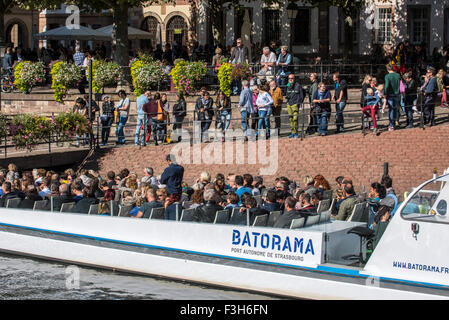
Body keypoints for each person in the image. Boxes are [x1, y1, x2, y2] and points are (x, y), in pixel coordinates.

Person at [285, 74, 304, 139]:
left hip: (295, 104)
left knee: (295, 119)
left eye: (292, 78)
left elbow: (302, 95)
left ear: (294, 78)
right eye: (289, 78)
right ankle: (292, 132)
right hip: (289, 104)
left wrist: (298, 102)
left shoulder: (298, 85)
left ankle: (296, 132)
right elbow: (286, 93)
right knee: (290, 119)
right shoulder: (288, 85)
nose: (290, 79)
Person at [384, 63, 402, 131]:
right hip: (397, 93)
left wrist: (385, 93)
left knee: (391, 109)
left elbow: (387, 86)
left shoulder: (387, 76)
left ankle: (391, 125)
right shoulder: (398, 75)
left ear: (387, 69)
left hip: (390, 94)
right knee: (395, 109)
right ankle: (394, 122)